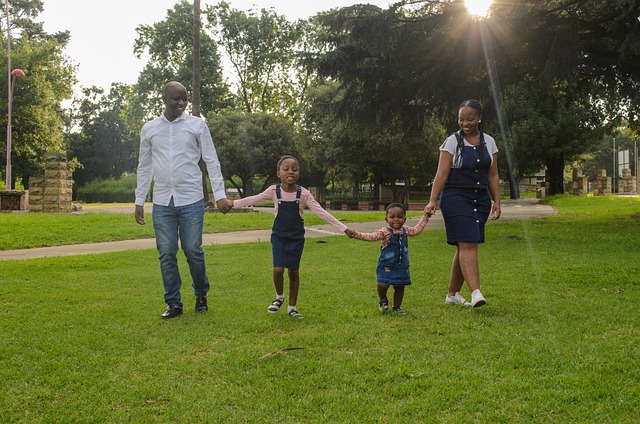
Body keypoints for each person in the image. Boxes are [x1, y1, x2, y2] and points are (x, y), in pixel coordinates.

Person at [134, 81, 233, 319]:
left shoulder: (197, 125)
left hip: (191, 199)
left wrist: (219, 195)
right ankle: (174, 303)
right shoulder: (149, 129)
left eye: (184, 99)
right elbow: (144, 166)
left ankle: (201, 294)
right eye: (176, 98)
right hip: (162, 202)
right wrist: (139, 199)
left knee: (192, 250)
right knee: (166, 252)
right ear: (163, 98)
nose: (180, 103)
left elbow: (212, 160)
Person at [230, 155, 353, 319]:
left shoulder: (304, 194)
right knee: (278, 269)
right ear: (278, 173)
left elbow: (322, 213)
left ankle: (292, 307)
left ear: (298, 173)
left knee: (293, 272)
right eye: (286, 169)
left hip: (296, 238)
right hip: (279, 236)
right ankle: (279, 297)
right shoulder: (274, 191)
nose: (290, 172)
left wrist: (344, 228)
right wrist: (232, 204)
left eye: (294, 169)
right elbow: (254, 198)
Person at [425, 99, 501, 308]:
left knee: (464, 246)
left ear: (479, 118)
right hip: (455, 197)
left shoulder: (489, 142)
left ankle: (452, 294)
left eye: (470, 119)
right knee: (468, 243)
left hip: (480, 199)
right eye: (461, 119)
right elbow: (441, 173)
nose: (465, 123)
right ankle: (476, 292)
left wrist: (496, 201)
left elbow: (493, 175)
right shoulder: (451, 142)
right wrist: (432, 200)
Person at [350, 203, 431, 315]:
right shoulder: (385, 232)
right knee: (383, 284)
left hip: (402, 265)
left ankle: (396, 307)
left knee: (400, 286)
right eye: (392, 217)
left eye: (400, 216)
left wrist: (426, 216)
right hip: (386, 265)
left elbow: (417, 230)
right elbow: (371, 237)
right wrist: (355, 234)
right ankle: (383, 300)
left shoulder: (405, 230)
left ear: (405, 219)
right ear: (386, 219)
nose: (396, 219)